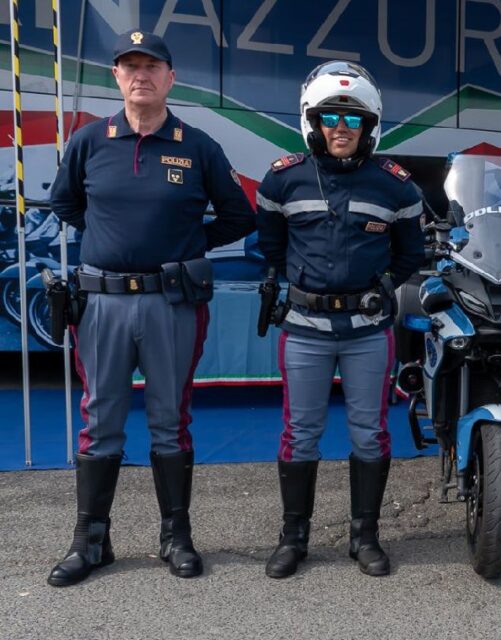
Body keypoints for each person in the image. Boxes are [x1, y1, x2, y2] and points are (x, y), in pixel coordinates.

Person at [45, 31, 255, 586]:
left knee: (170, 418)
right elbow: (66, 202)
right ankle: (90, 542)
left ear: (170, 78)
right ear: (117, 77)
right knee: (99, 419)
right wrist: (112, 239)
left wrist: (185, 244)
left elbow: (239, 216)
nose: (140, 74)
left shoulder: (198, 146)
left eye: (151, 65)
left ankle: (176, 536)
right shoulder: (89, 141)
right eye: (128, 65)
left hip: (171, 303)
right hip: (103, 305)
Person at [254, 61, 425, 578]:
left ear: (371, 127)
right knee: (299, 433)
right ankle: (294, 538)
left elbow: (410, 255)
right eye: (330, 117)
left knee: (369, 433)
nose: (341, 128)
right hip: (304, 331)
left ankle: (365, 537)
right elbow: (270, 245)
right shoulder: (282, 180)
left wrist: (380, 289)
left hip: (368, 332)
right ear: (313, 121)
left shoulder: (396, 187)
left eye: (353, 120)